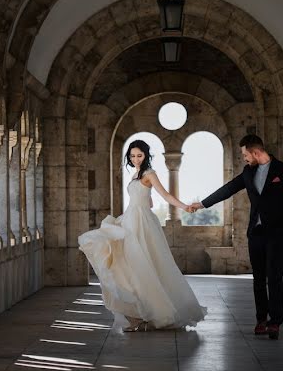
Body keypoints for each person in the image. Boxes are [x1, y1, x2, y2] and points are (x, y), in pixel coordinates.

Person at [78, 139, 206, 332]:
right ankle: (138, 313)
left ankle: (149, 313)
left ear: (146, 155)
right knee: (128, 264)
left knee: (144, 264)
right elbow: (147, 199)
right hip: (130, 218)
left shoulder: (149, 173)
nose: (136, 159)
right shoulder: (136, 174)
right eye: (132, 156)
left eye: (139, 155)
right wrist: (146, 200)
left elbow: (166, 195)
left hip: (142, 223)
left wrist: (184, 206)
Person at [188, 134, 283, 339]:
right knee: (258, 279)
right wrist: (202, 204)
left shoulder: (282, 170)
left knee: (274, 279)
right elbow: (229, 189)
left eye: (245, 155)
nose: (244, 159)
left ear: (256, 152)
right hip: (255, 234)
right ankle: (261, 319)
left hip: (276, 234)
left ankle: (275, 322)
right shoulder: (248, 172)